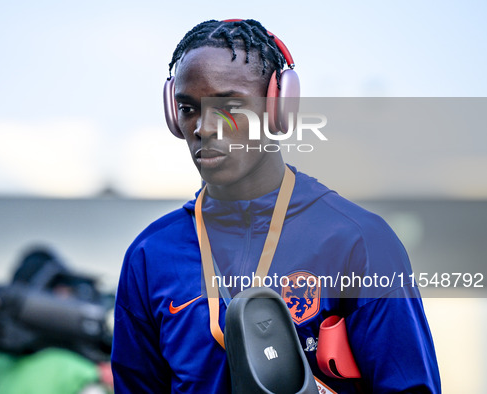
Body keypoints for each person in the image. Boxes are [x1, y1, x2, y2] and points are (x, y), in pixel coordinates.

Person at [111, 19, 440, 393]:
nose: (202, 127)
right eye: (187, 108)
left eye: (229, 106)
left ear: (278, 107)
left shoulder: (357, 240)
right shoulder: (150, 255)